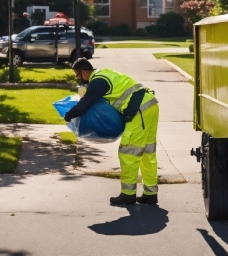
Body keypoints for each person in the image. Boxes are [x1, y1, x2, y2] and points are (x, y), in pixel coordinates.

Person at [64, 58, 160, 206]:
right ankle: (150, 193)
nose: (78, 78)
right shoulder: (104, 74)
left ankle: (128, 195)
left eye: (77, 75)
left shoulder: (97, 82)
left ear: (83, 72)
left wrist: (69, 115)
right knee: (147, 153)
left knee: (128, 153)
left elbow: (85, 104)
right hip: (149, 104)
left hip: (139, 110)